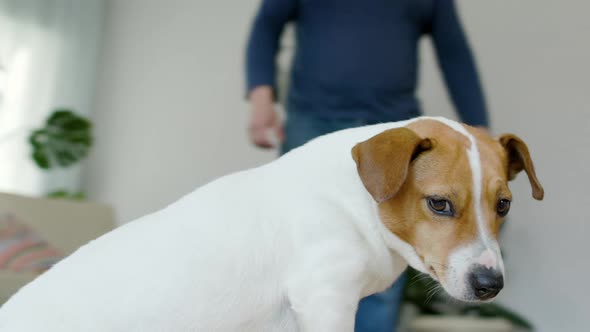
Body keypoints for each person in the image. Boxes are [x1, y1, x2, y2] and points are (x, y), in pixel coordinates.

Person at [245, 0, 489, 331]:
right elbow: (267, 25)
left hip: (394, 133)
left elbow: (454, 52)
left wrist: (481, 132)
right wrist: (261, 99)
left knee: (383, 267)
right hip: (314, 123)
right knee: (300, 258)